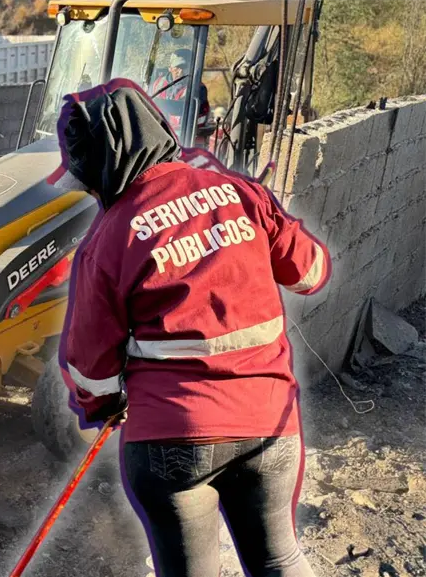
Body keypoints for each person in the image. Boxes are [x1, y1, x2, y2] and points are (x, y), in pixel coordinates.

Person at [54, 79, 328, 577]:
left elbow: (89, 367)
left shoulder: (108, 238)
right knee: (279, 558)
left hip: (169, 441)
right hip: (268, 426)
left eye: (88, 178)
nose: (92, 190)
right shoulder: (241, 193)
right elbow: (310, 272)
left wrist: (104, 406)